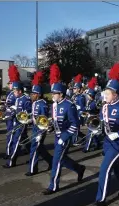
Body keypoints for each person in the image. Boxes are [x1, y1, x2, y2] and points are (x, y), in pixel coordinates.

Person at [91, 63, 119, 206]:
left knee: (104, 169)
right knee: (118, 168)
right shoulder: (104, 107)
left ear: (115, 94)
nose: (105, 95)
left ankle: (100, 199)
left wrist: (118, 134)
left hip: (118, 144)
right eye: (105, 92)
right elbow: (104, 123)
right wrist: (98, 130)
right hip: (107, 142)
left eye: (108, 93)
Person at [43, 64, 85, 195]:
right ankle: (79, 168)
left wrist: (64, 137)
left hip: (65, 137)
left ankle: (53, 186)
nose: (52, 95)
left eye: (54, 93)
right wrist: (50, 127)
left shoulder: (69, 105)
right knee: (62, 158)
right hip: (57, 135)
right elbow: (54, 120)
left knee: (56, 160)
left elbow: (75, 124)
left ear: (60, 94)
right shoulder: (54, 105)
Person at [25, 71, 53, 176]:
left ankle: (33, 169)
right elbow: (35, 116)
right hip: (35, 128)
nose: (31, 95)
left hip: (40, 129)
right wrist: (30, 120)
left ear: (38, 95)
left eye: (33, 94)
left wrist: (41, 132)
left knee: (35, 148)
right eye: (31, 94)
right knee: (39, 148)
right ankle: (51, 161)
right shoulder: (35, 103)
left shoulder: (42, 104)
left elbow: (44, 119)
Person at [3, 80, 32, 168]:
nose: (14, 92)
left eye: (15, 91)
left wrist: (20, 112)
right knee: (25, 142)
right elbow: (16, 110)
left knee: (16, 142)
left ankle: (11, 162)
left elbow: (29, 112)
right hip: (16, 122)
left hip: (22, 124)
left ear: (20, 91)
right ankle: (35, 155)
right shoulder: (18, 98)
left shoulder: (26, 99)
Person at [83, 77, 101, 152]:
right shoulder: (90, 102)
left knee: (90, 134)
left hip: (94, 119)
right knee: (93, 133)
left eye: (88, 95)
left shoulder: (93, 103)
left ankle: (86, 148)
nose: (87, 96)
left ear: (91, 95)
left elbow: (88, 109)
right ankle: (97, 144)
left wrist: (83, 110)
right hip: (90, 118)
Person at [4, 65, 18, 160]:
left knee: (11, 135)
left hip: (13, 118)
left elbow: (16, 106)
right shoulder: (9, 93)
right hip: (8, 117)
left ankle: (9, 153)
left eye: (10, 83)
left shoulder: (15, 94)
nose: (9, 85)